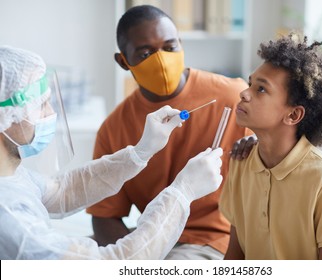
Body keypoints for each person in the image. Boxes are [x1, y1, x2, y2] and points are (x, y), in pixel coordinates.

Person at [0, 45, 224, 260]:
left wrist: (141, 152)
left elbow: (62, 191)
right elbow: (117, 264)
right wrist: (182, 192)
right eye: (40, 105)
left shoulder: (11, 177)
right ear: (5, 118)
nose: (50, 113)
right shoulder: (10, 218)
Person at [86, 5, 251, 260]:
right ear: (123, 61)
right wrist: (135, 256)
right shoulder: (114, 128)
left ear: (181, 45)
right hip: (151, 240)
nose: (161, 60)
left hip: (213, 242)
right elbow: (104, 217)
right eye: (145, 53)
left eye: (170, 47)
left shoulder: (233, 99)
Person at [219, 33, 322, 260]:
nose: (244, 93)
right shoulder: (241, 162)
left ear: (293, 114)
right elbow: (235, 254)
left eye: (261, 89)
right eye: (250, 83)